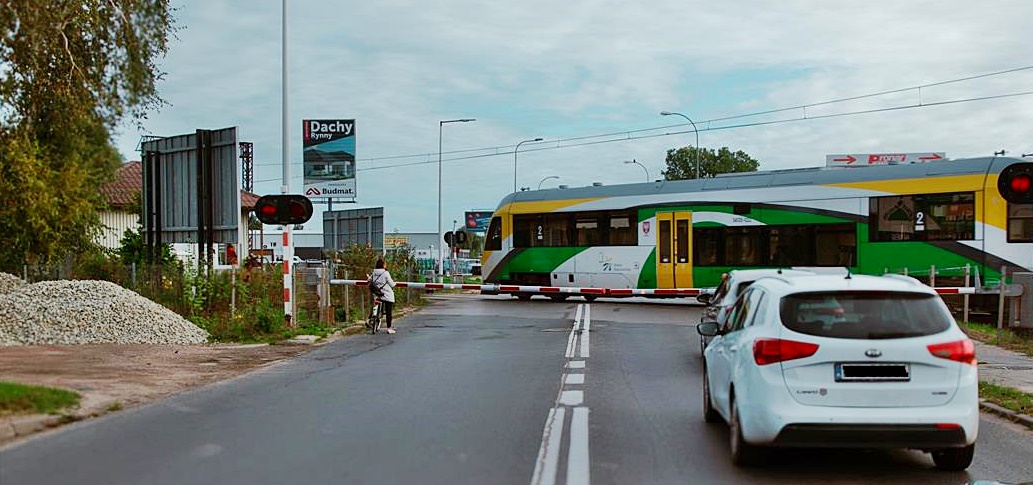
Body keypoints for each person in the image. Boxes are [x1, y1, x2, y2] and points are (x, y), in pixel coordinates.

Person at [368, 258, 397, 334]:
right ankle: (389, 328)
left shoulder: (374, 272)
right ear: (383, 265)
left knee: (374, 305)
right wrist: (395, 283)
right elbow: (392, 284)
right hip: (386, 294)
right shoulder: (386, 273)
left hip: (377, 293)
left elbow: (369, 279)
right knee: (388, 311)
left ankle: (369, 319)